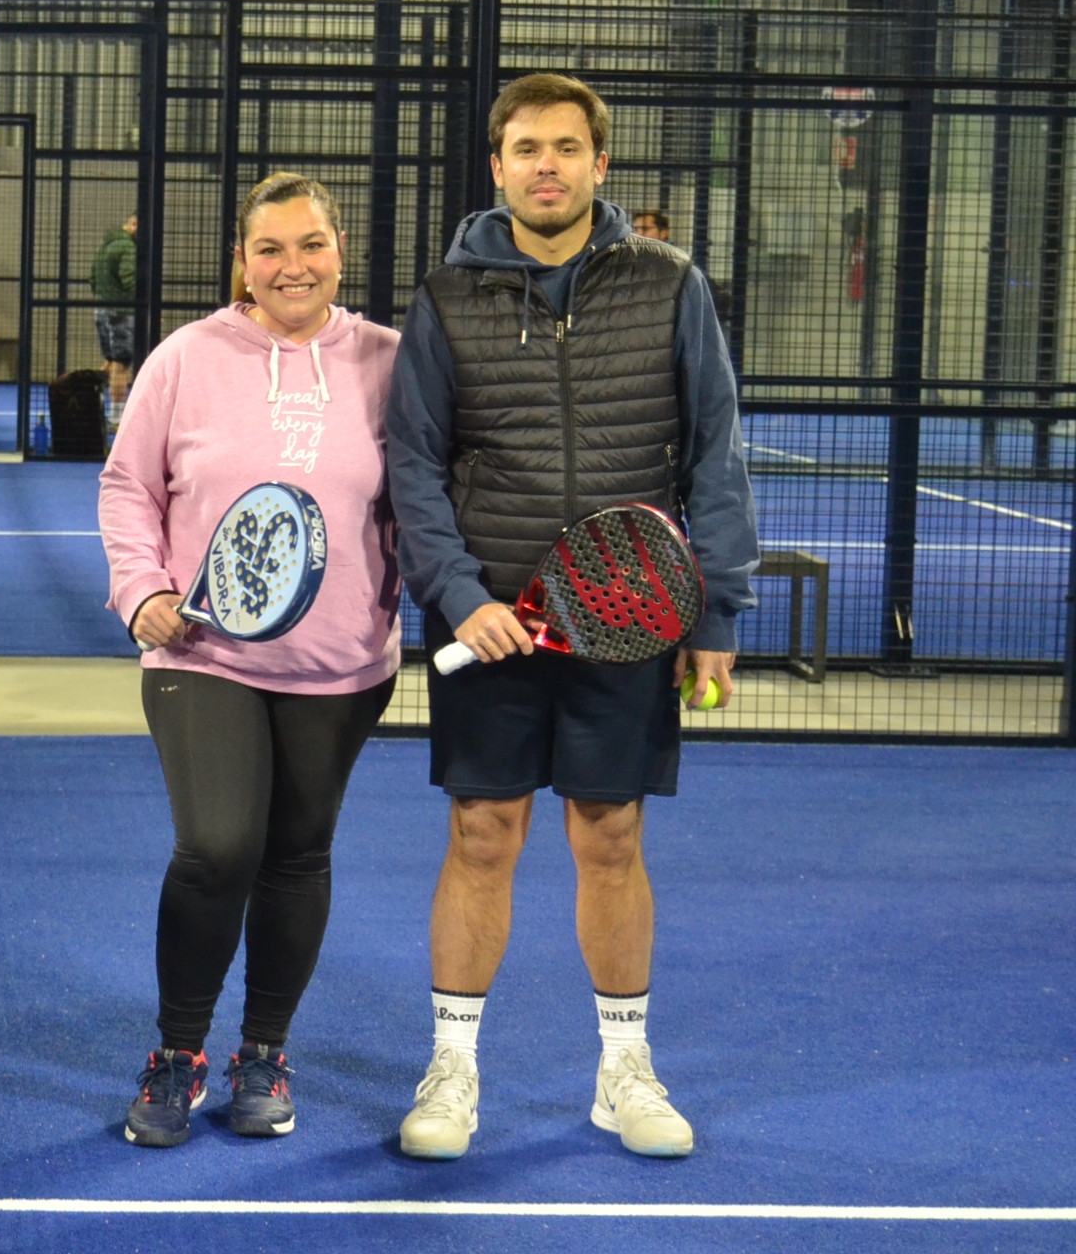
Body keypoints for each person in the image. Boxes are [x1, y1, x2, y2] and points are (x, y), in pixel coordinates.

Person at [384, 73, 757, 1162]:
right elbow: (413, 463)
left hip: (630, 615)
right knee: (482, 832)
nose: (545, 165)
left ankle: (623, 1071)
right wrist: (461, 597)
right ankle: (452, 1069)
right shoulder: (446, 297)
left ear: (600, 163)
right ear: (497, 168)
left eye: (565, 147)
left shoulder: (671, 283)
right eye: (526, 148)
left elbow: (714, 449)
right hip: (490, 621)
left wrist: (715, 613)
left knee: (611, 833)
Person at [98, 174, 401, 1148]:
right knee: (218, 846)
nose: (291, 267)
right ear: (242, 260)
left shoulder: (391, 361)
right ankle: (178, 1052)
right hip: (200, 653)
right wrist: (141, 590)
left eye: (310, 245)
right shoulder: (186, 357)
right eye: (269, 248)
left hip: (343, 665)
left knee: (298, 852)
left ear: (340, 251)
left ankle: (264, 1051)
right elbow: (128, 484)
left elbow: (425, 496)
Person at [92, 213, 139, 412]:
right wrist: (144, 306)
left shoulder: (105, 245)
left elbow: (93, 279)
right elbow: (130, 281)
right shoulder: (128, 247)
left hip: (101, 309)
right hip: (121, 312)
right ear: (135, 225)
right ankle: (117, 416)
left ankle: (92, 400)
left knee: (111, 360)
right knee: (121, 364)